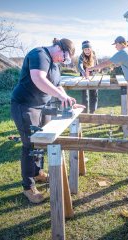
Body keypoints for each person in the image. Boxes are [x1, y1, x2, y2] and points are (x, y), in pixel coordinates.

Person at [11, 38, 77, 204]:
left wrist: (67, 98)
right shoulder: (39, 54)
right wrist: (60, 95)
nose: (63, 60)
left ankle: (37, 172)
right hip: (25, 106)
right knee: (30, 145)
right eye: (64, 57)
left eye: (65, 60)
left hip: (42, 107)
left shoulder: (54, 63)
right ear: (59, 48)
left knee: (42, 140)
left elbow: (57, 85)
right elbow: (38, 79)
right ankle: (28, 187)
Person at [86, 36, 128, 117]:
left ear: (120, 44)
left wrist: (91, 68)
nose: (115, 47)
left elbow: (106, 63)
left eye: (116, 45)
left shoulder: (123, 52)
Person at [77, 40, 99, 114]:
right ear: (83, 50)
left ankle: (93, 111)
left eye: (88, 49)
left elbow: (97, 63)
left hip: (92, 74)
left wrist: (97, 68)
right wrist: (83, 72)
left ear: (91, 49)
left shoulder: (94, 54)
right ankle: (85, 111)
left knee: (94, 93)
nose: (87, 51)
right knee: (84, 94)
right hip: (83, 74)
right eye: (85, 49)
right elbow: (79, 65)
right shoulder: (81, 56)